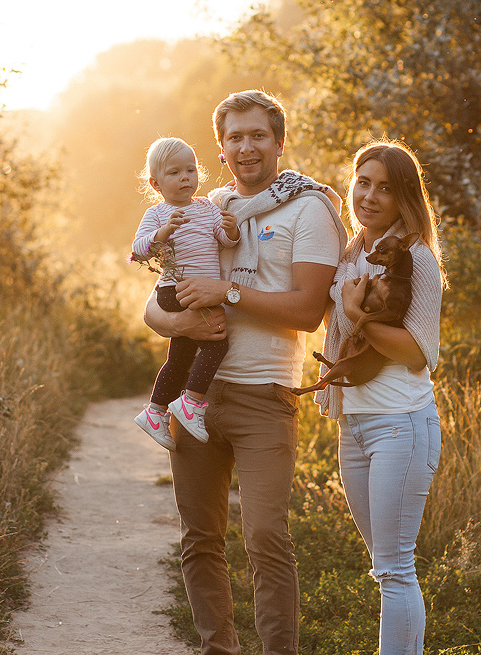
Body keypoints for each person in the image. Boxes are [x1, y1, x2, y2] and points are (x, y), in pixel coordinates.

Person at [144, 90, 347, 655]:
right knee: (201, 539)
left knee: (264, 536)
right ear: (221, 147)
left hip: (266, 395)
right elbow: (153, 306)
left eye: (258, 135)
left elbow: (309, 310)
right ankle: (218, 647)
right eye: (235, 136)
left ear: (279, 142)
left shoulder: (310, 209)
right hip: (196, 397)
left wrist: (227, 290)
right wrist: (180, 328)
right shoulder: (204, 207)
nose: (247, 146)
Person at [314, 140, 446, 655]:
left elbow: (416, 352)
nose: (369, 195)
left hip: (401, 423)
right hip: (355, 425)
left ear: (403, 197)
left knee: (395, 568)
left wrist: (361, 314)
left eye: (384, 188)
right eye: (363, 182)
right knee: (384, 566)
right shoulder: (352, 251)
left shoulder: (415, 258)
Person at [131, 137, 240, 450]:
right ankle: (191, 403)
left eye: (190, 170)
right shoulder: (156, 214)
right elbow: (139, 251)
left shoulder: (207, 207)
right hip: (175, 289)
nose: (185, 178)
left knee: (179, 357)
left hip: (196, 291)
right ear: (156, 183)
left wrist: (231, 230)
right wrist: (164, 233)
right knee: (216, 341)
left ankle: (154, 412)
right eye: (175, 173)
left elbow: (224, 239)